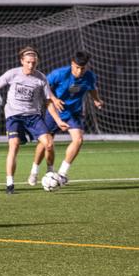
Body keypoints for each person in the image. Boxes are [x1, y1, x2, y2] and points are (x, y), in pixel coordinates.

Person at [0, 46, 68, 194]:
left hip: (33, 116)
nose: (31, 65)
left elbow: (48, 101)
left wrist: (58, 120)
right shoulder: (12, 74)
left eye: (33, 62)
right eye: (28, 62)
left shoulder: (41, 78)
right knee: (14, 145)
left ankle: (50, 173)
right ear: (22, 61)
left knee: (49, 143)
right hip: (14, 116)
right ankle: (10, 184)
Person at [27, 51, 104, 186]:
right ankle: (34, 171)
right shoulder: (59, 74)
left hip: (74, 113)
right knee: (45, 143)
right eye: (77, 67)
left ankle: (62, 174)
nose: (79, 71)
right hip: (55, 112)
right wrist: (54, 99)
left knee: (78, 140)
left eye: (83, 68)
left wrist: (96, 100)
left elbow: (92, 89)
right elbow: (44, 86)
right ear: (72, 64)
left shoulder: (89, 76)